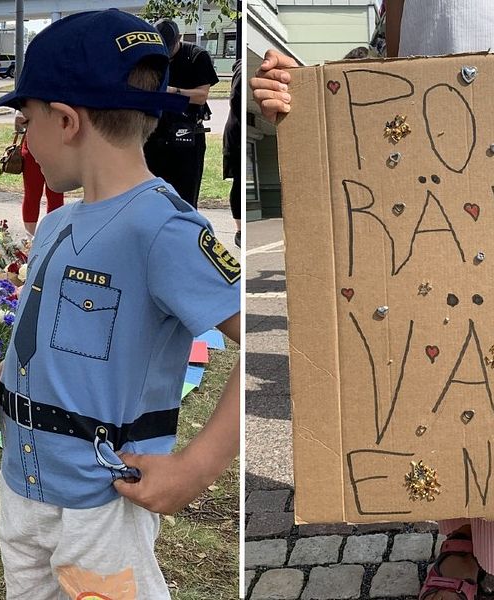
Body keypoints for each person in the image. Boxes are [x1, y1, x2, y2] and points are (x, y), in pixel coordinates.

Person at [0, 9, 240, 599]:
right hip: (21, 492)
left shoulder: (163, 230)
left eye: (26, 123)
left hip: (102, 508)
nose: (24, 143)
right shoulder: (57, 225)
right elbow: (38, 342)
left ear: (66, 120)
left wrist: (197, 469)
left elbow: (284, 347)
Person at [250, 3, 494, 594]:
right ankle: (463, 528)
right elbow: (395, 61)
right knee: (447, 341)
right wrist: (313, 100)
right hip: (438, 127)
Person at [143, 19, 218, 209]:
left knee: (185, 198)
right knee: (152, 196)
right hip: (154, 135)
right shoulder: (152, 57)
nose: (166, 54)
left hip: (186, 136)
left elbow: (201, 96)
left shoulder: (196, 56)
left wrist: (171, 91)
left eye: (169, 49)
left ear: (180, 39)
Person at [15, 111, 64, 235]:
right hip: (34, 148)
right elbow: (19, 119)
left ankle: (52, 235)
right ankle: (30, 238)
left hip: (55, 147)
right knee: (33, 193)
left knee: (55, 193)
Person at [223, 58, 241, 248]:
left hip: (237, 134)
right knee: (238, 181)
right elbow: (236, 102)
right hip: (236, 136)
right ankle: (240, 230)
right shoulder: (243, 71)